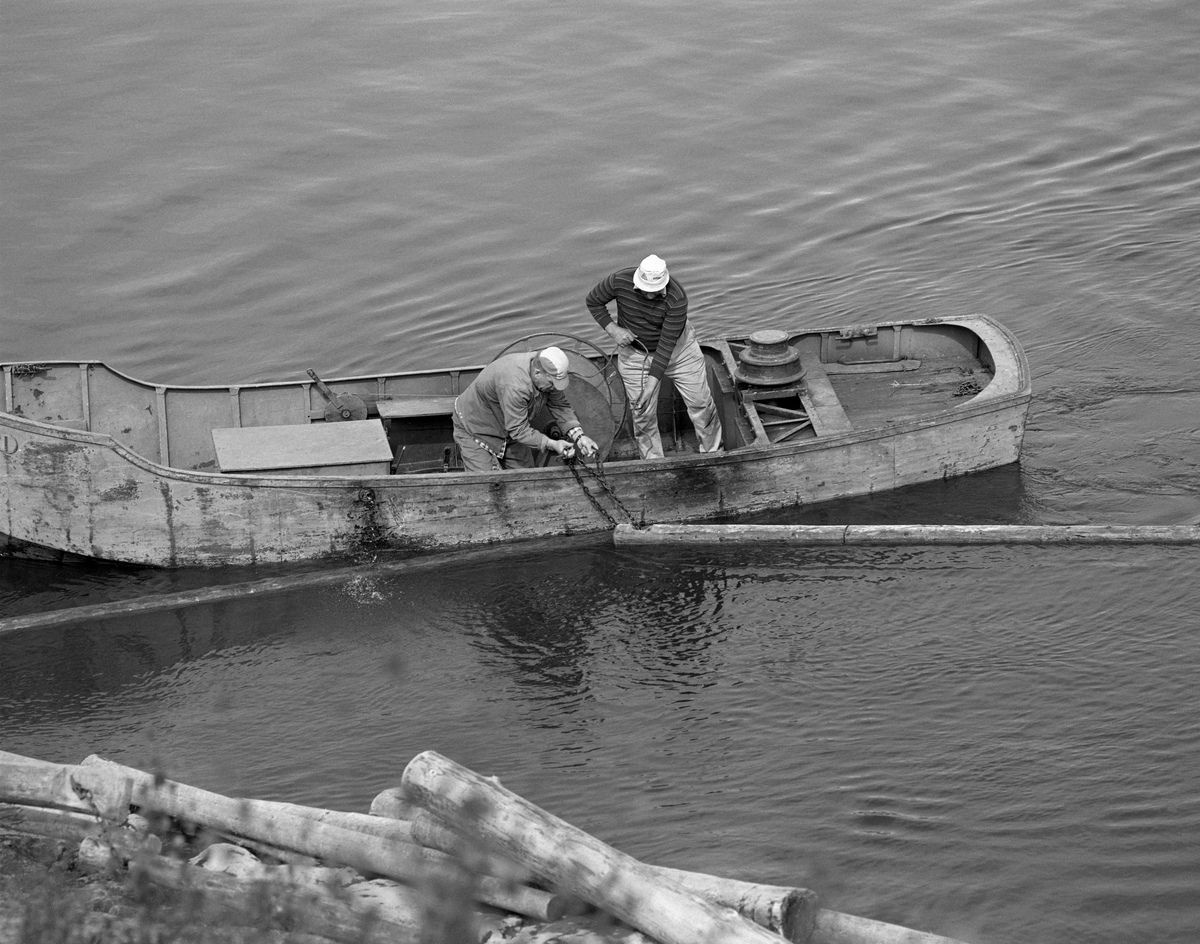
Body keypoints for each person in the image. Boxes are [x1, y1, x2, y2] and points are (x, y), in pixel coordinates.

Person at [585, 254, 723, 459]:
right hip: (635, 354)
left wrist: (650, 387)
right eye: (644, 291)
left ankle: (713, 454)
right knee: (642, 413)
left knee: (701, 404)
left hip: (679, 351)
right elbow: (593, 301)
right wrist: (613, 329)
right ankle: (652, 462)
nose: (650, 296)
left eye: (655, 292)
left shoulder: (677, 298)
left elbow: (666, 347)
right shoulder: (618, 280)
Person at [452, 346, 600, 472]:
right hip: (475, 426)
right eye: (552, 382)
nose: (555, 387)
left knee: (527, 475)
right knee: (486, 484)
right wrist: (553, 444)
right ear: (537, 373)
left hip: (507, 427)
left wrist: (579, 437)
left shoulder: (547, 372)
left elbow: (560, 405)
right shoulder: (515, 385)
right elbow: (518, 429)